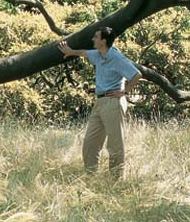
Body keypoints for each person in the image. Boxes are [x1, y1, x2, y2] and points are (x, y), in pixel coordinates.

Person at [58, 27, 142, 177]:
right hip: (100, 102)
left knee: (115, 144)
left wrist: (124, 92)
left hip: (112, 101)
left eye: (96, 37)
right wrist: (70, 51)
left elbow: (136, 75)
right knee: (90, 143)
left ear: (103, 40)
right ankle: (91, 177)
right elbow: (83, 52)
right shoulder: (98, 54)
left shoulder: (116, 57)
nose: (93, 39)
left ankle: (116, 180)